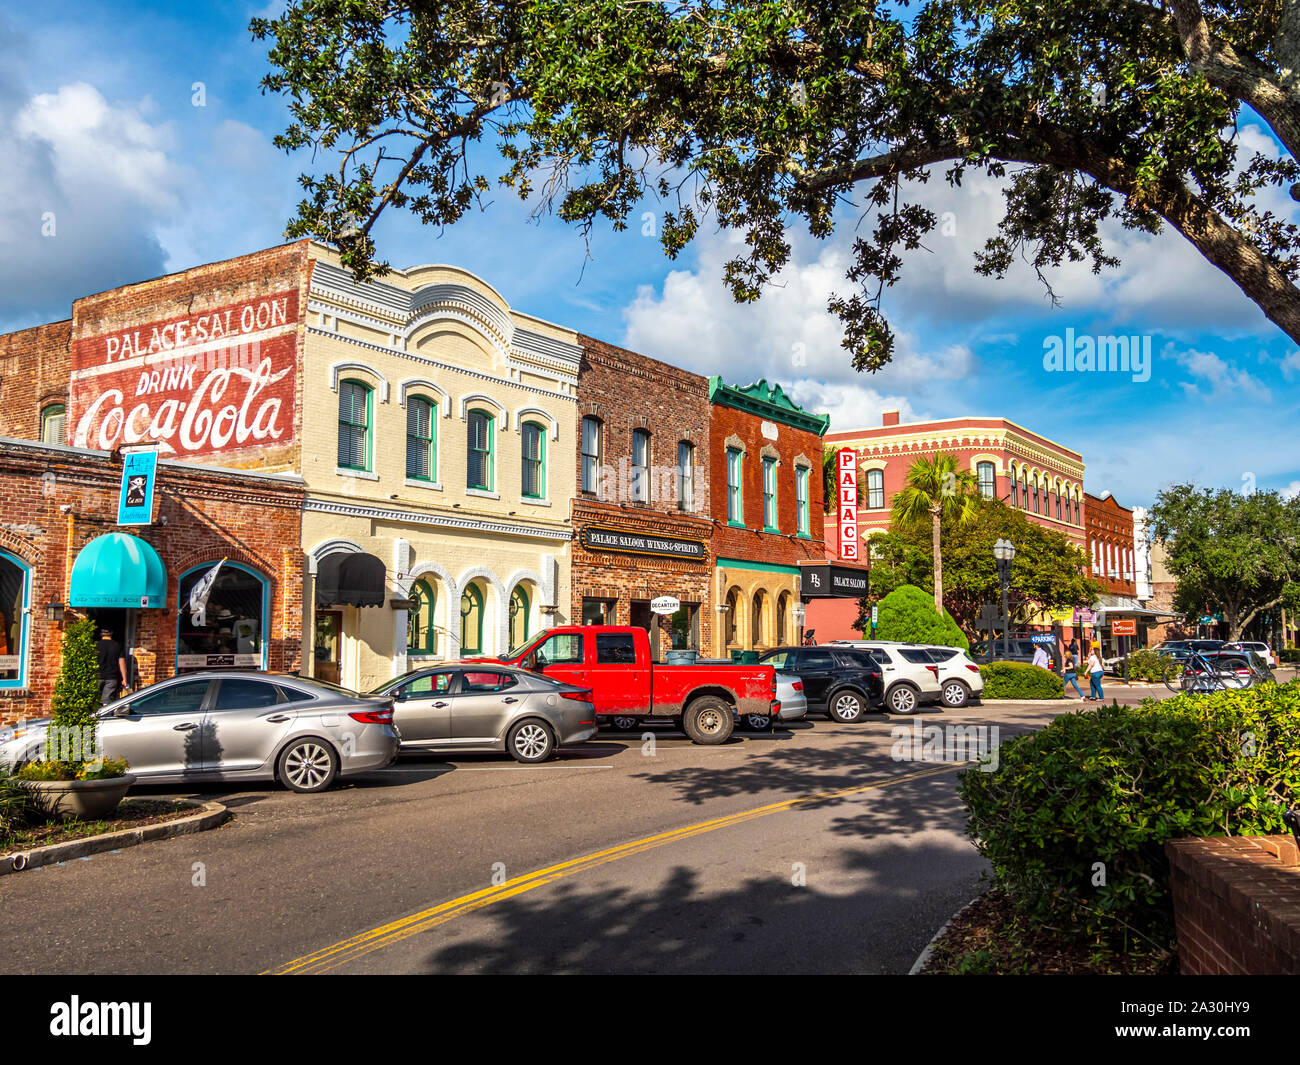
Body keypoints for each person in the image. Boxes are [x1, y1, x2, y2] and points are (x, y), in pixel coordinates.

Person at [95, 628, 128, 706]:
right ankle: (106, 717)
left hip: (97, 676)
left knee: (93, 700)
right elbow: (122, 663)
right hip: (112, 677)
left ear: (101, 634)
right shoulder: (117, 645)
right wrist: (124, 678)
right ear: (111, 634)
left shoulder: (95, 645)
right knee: (107, 702)